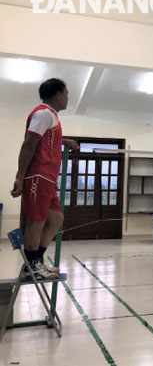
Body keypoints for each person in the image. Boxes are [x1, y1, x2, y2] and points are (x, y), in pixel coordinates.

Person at [10, 78, 79, 281]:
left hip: (48, 178)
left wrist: (62, 141)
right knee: (37, 222)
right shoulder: (43, 114)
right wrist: (20, 177)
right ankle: (30, 267)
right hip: (38, 176)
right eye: (66, 94)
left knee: (56, 218)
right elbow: (29, 145)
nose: (67, 98)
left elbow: (43, 142)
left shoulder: (51, 117)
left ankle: (36, 262)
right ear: (58, 95)